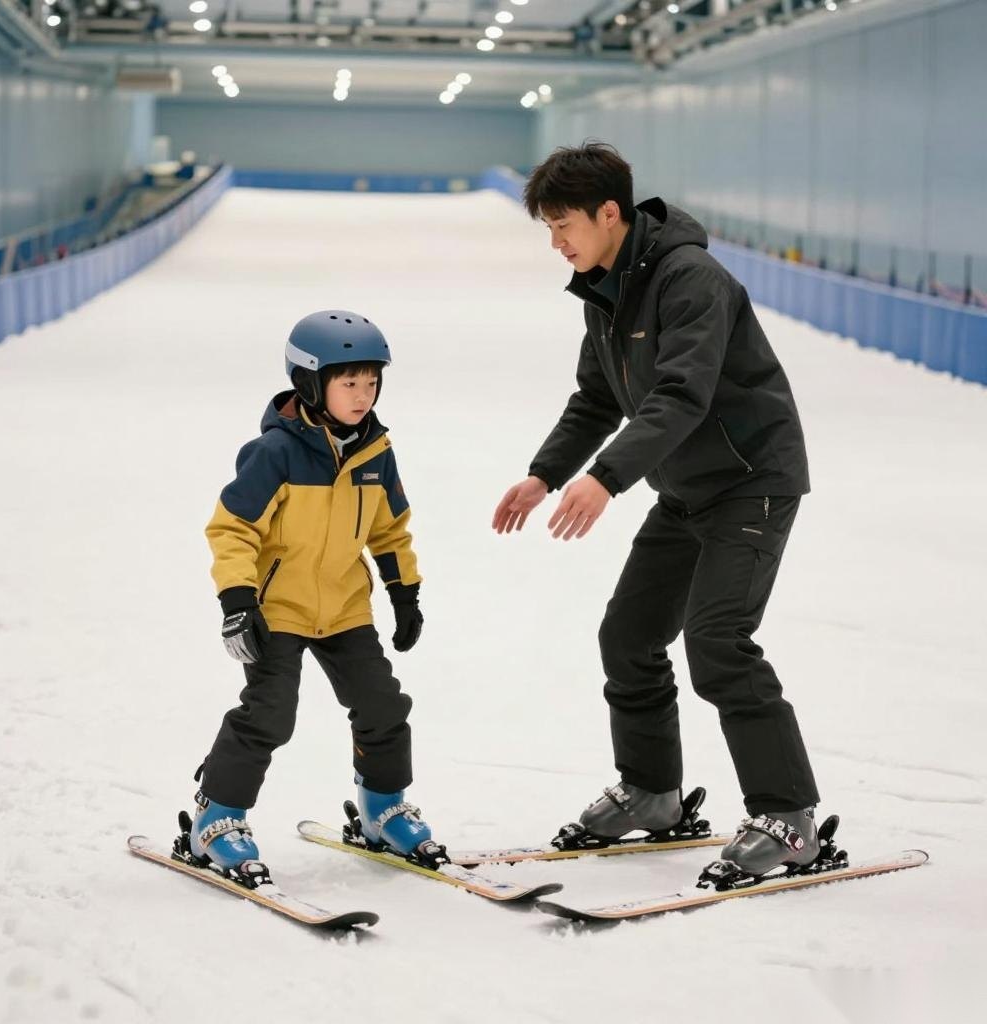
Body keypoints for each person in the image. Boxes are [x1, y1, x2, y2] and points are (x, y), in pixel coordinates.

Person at [492, 143, 821, 878]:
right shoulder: (605, 286)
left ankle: (790, 815)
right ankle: (651, 793)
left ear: (611, 214)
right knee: (630, 637)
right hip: (685, 489)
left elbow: (682, 394)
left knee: (717, 643)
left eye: (564, 224)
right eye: (547, 228)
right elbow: (598, 397)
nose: (557, 242)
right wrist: (545, 475)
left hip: (750, 482)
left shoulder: (689, 280)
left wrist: (605, 480)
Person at [189, 309, 439, 877]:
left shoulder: (376, 452)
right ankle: (216, 817)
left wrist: (405, 593)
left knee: (382, 707)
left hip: (345, 607)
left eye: (371, 381)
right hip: (277, 610)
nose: (363, 394)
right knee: (269, 716)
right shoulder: (273, 454)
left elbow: (389, 528)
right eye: (348, 381)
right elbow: (232, 529)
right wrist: (237, 602)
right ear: (310, 382)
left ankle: (381, 810)